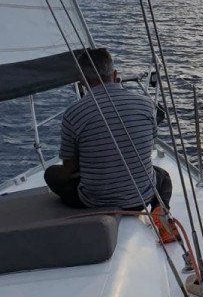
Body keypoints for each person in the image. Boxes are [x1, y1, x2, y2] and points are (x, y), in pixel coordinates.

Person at [44, 48, 172, 212]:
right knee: (163, 177)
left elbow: (69, 169)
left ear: (82, 80)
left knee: (51, 174)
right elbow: (150, 143)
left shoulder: (73, 113)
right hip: (140, 200)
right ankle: (161, 211)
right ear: (114, 74)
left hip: (95, 202)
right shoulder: (146, 104)